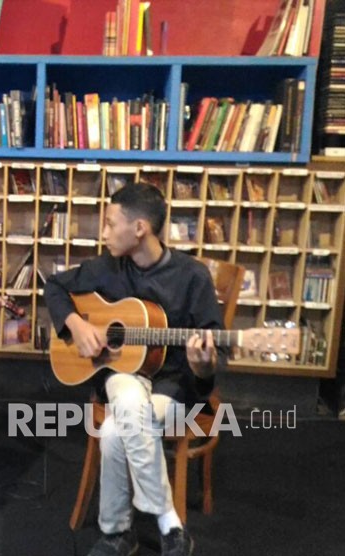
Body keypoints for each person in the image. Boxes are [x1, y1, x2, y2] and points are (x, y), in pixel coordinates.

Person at [44, 183, 226, 556]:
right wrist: (77, 327)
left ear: (140, 228)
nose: (105, 232)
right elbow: (54, 287)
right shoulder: (106, 268)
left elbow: (212, 358)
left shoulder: (192, 277)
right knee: (126, 396)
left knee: (114, 429)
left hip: (172, 388)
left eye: (111, 224)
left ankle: (117, 533)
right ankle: (169, 523)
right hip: (121, 376)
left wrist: (203, 366)